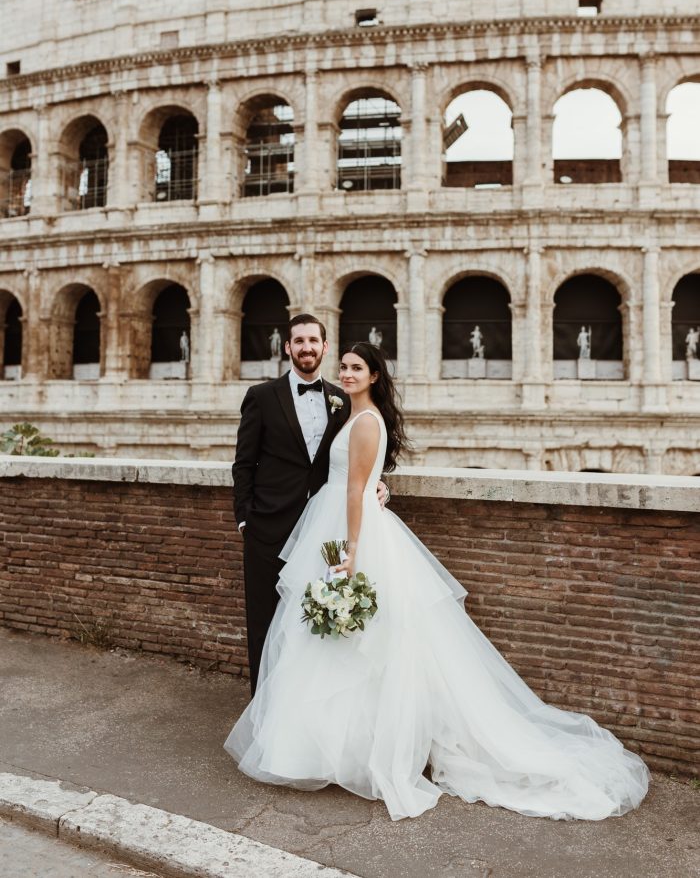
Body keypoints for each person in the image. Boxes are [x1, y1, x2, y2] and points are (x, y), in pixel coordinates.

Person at [225, 342, 649, 822]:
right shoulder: (349, 413)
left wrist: (350, 553)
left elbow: (354, 488)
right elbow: (357, 476)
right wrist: (375, 488)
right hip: (337, 520)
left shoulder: (364, 421)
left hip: (350, 529)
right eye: (342, 366)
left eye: (355, 368)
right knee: (339, 640)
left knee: (358, 640)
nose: (345, 373)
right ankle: (337, 746)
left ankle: (349, 750)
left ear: (374, 376)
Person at [232, 314, 387, 695]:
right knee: (266, 623)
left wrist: (378, 484)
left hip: (322, 529)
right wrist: (245, 521)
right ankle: (262, 707)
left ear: (324, 347)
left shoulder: (343, 397)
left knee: (312, 625)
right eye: (298, 341)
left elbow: (358, 455)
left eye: (313, 341)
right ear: (287, 347)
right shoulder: (262, 396)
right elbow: (243, 463)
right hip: (268, 527)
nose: (306, 348)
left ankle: (299, 704)